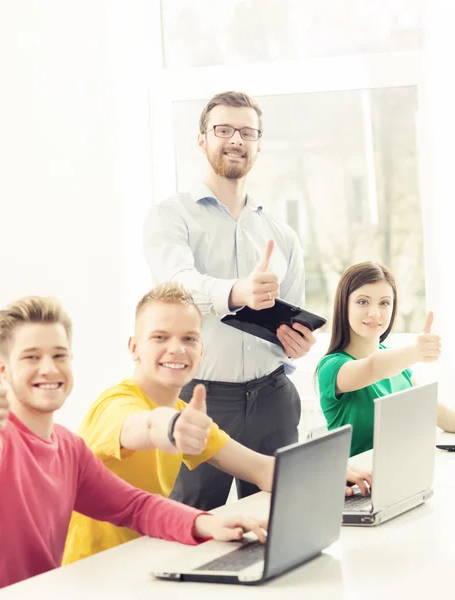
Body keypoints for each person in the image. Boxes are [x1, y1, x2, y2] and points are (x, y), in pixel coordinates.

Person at [0, 296, 268, 600]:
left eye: (59, 356)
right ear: (2, 370)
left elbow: (135, 506)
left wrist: (208, 522)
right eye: (31, 357)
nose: (48, 368)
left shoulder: (69, 448)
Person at [63, 283, 371, 564]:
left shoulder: (187, 414)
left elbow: (261, 469)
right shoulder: (114, 404)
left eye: (189, 338)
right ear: (134, 347)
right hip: (93, 569)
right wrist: (170, 428)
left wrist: (322, 471)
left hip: (147, 559)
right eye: (160, 337)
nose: (177, 348)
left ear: (201, 349)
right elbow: (145, 426)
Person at [143, 91, 317, 511]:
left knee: (279, 522)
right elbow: (177, 285)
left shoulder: (281, 234)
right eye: (223, 130)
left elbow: (290, 315)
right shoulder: (171, 216)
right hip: (200, 398)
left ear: (258, 145)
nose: (235, 140)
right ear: (202, 140)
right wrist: (238, 291)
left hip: (273, 399)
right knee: (193, 525)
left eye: (247, 132)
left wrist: (294, 343)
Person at [317, 262, 455, 457]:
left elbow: (438, 413)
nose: (375, 313)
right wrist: (417, 352)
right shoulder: (332, 367)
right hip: (358, 484)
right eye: (363, 302)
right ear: (343, 305)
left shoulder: (397, 363)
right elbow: (373, 368)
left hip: (403, 473)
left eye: (384, 303)